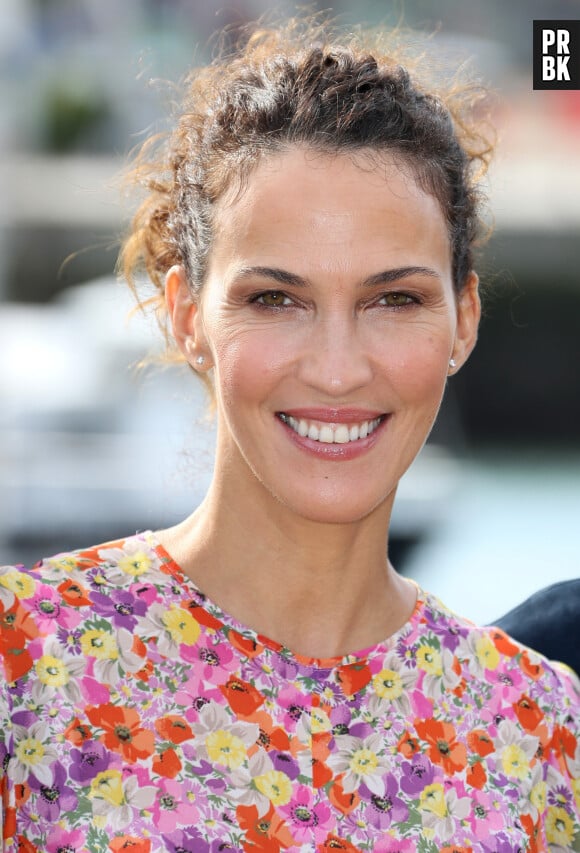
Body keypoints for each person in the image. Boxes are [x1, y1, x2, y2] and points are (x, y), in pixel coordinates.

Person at [1, 19, 579, 852]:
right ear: (185, 317)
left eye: (394, 299)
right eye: (276, 299)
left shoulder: (540, 725)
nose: (337, 370)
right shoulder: (25, 662)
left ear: (465, 321)